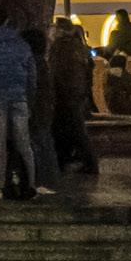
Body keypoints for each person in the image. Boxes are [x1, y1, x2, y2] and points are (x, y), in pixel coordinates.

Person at [0, 6, 53, 200]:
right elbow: (31, 76)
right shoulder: (21, 45)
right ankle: (29, 184)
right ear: (7, 20)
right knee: (24, 143)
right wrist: (29, 100)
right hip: (19, 98)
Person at [46, 19, 101, 175]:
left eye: (53, 28)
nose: (50, 31)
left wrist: (55, 90)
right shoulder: (76, 46)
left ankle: (88, 163)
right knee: (66, 128)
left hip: (65, 94)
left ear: (60, 31)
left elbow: (58, 72)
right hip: (74, 94)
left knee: (75, 129)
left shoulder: (60, 47)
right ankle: (65, 160)